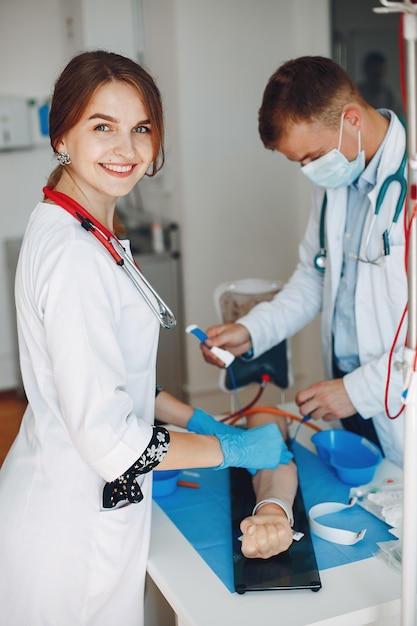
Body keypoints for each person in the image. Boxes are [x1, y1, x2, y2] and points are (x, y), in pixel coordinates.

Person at [0, 51, 295, 626]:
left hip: (69, 499)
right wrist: (231, 450)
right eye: (101, 126)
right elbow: (113, 443)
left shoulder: (79, 225)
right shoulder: (74, 257)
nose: (126, 149)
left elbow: (116, 378)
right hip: (69, 534)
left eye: (141, 129)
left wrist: (198, 420)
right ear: (62, 133)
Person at [201, 55, 407, 469]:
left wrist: (358, 390)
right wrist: (252, 330)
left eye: (312, 156)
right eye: (301, 162)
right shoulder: (337, 178)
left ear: (351, 119)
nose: (310, 171)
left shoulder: (410, 187)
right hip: (349, 403)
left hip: (399, 408)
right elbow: (315, 278)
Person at [357, 51, 404, 117]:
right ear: (366, 70)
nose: (378, 76)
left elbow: (398, 119)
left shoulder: (391, 97)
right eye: (375, 73)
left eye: (381, 72)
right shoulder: (356, 94)